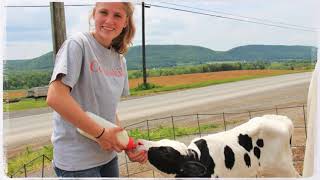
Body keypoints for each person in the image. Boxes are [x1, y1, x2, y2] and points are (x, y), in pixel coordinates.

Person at [46, 2, 147, 178]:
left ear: (125, 22)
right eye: (103, 12)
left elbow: (109, 110)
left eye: (117, 15)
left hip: (107, 158)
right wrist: (101, 134)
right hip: (77, 162)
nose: (109, 20)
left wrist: (126, 145)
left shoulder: (119, 60)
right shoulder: (79, 44)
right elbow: (55, 97)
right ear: (94, 14)